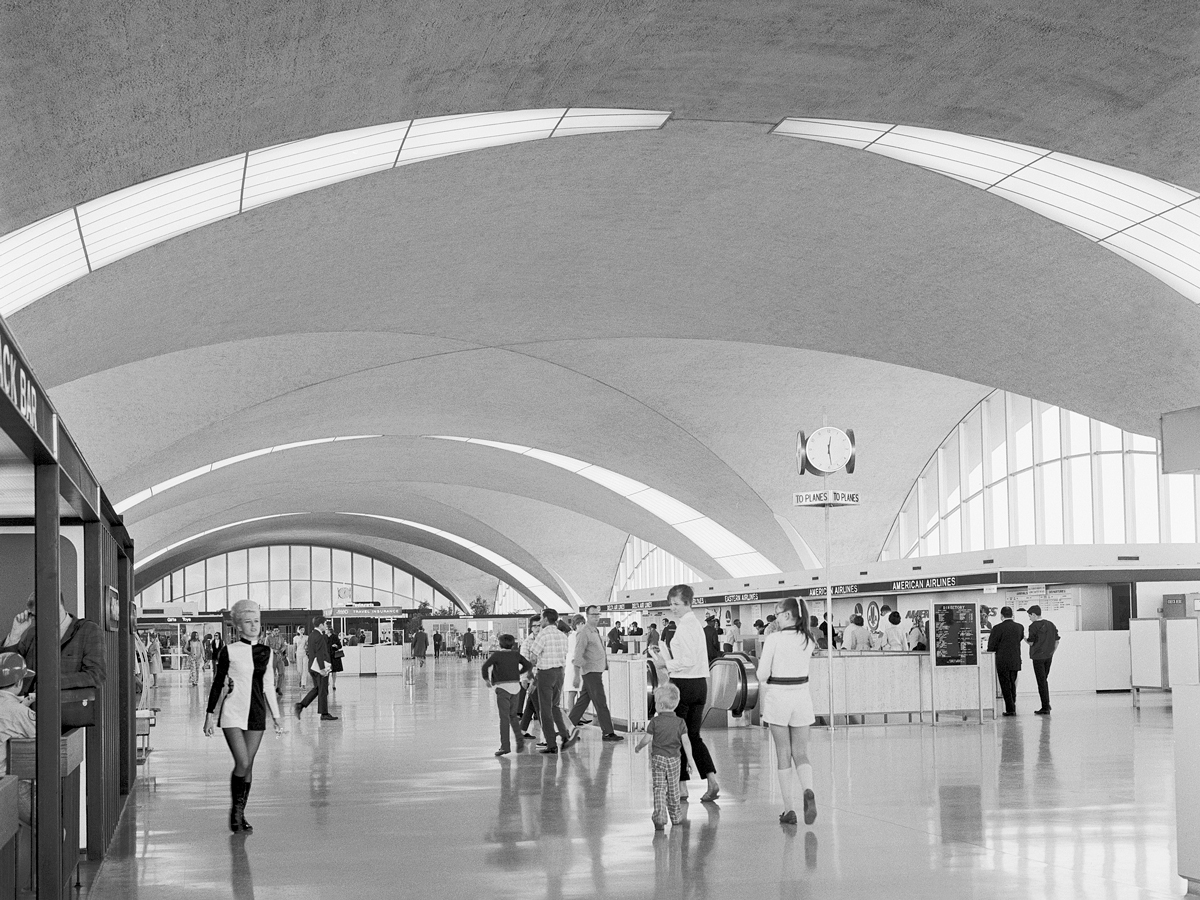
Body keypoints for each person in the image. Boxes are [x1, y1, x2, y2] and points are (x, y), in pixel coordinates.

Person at [204, 600, 284, 833]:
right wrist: (210, 715)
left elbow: (268, 685)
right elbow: (218, 683)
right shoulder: (228, 651)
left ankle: (240, 813)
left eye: (256, 622)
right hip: (232, 713)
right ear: (238, 626)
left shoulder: (267, 653)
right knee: (243, 762)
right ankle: (235, 814)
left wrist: (277, 717)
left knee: (248, 766)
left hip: (257, 714)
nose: (253, 626)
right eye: (248, 622)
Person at [652, 584, 719, 802]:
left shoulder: (684, 627)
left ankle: (681, 787)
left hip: (684, 686)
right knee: (693, 736)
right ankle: (711, 780)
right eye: (670, 603)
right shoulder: (697, 626)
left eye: (677, 604)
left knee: (676, 737)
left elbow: (687, 660)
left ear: (688, 603)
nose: (673, 608)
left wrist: (665, 663)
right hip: (700, 684)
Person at [757, 596, 819, 826]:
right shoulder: (808, 638)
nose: (775, 618)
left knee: (783, 752)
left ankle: (789, 810)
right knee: (800, 751)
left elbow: (762, 674)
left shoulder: (774, 639)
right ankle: (809, 789)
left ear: (786, 615)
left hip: (779, 697)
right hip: (802, 697)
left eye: (777, 614)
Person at [567, 605, 623, 744]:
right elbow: (578, 654)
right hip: (590, 672)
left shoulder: (594, 630)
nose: (596, 617)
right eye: (593, 615)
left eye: (598, 614)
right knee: (600, 702)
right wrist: (575, 675)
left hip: (595, 671)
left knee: (582, 702)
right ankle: (608, 732)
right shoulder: (584, 632)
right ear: (587, 616)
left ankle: (566, 729)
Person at [634, 683, 687, 831]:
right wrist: (690, 760)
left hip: (658, 758)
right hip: (675, 759)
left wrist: (639, 747)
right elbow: (686, 742)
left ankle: (660, 817)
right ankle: (676, 817)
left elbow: (646, 739)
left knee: (659, 787)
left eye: (656, 702)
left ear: (661, 705)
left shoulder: (655, 722)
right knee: (673, 787)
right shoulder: (680, 722)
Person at [528, 608, 571, 754]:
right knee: (555, 706)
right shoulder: (562, 636)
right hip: (560, 673)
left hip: (546, 673)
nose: (540, 621)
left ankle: (551, 744)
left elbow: (533, 657)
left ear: (546, 619)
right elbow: (565, 654)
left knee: (545, 710)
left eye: (541, 618)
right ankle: (565, 736)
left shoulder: (542, 635)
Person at [481, 634, 533, 756]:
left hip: (502, 688)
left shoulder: (497, 655)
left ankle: (505, 746)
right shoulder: (516, 654)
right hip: (515, 687)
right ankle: (520, 740)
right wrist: (518, 673)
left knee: (504, 718)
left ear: (500, 644)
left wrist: (487, 680)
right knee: (513, 716)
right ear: (513, 644)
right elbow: (528, 665)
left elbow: (485, 667)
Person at [0, 652, 36, 825]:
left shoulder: (16, 709)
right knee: (52, 827)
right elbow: (42, 735)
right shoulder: (20, 712)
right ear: (19, 682)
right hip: (9, 784)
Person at [295, 615, 337, 721]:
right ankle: (324, 713)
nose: (326, 626)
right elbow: (320, 654)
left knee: (318, 689)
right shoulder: (319, 636)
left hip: (312, 666)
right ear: (321, 624)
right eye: (325, 624)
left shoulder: (312, 635)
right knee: (322, 690)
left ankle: (301, 705)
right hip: (319, 667)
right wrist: (322, 668)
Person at [987, 606, 1024, 716]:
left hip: (1002, 660)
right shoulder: (1019, 627)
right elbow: (1020, 638)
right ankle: (1013, 705)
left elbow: (991, 646)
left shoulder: (997, 628)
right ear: (1012, 615)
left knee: (1005, 684)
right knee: (1012, 683)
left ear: (1001, 615)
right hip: (1015, 659)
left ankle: (1010, 709)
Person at [1026, 605, 1060, 715]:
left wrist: (1023, 638)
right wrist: (1051, 653)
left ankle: (1045, 706)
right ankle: (1047, 704)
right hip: (1048, 657)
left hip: (1037, 657)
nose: (1029, 618)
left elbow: (1031, 642)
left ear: (1034, 615)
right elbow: (1057, 641)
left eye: (1030, 615)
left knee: (1041, 682)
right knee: (1044, 680)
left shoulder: (1033, 627)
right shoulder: (1051, 624)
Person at [518, 615, 542, 740]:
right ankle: (550, 735)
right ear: (531, 628)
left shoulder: (544, 639)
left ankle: (521, 730)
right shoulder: (527, 642)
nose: (538, 628)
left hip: (543, 676)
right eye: (535, 626)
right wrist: (524, 679)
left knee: (531, 705)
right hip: (533, 677)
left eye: (540, 625)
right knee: (539, 706)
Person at [327, 624, 344, 689]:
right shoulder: (324, 637)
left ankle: (333, 683)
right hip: (327, 655)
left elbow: (340, 646)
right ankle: (327, 682)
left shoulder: (335, 637)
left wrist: (336, 646)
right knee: (327, 670)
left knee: (334, 670)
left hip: (334, 655)